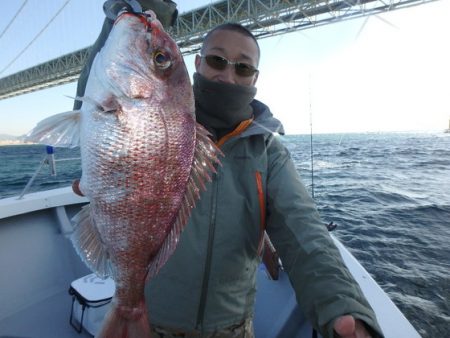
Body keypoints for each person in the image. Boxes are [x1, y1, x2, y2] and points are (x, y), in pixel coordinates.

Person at [74, 1, 384, 337]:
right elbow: (100, 90)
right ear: (196, 63)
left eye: (243, 68)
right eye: (217, 60)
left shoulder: (269, 154)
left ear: (256, 77)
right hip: (152, 323)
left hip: (232, 330)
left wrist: (344, 308)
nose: (228, 74)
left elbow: (305, 232)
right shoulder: (154, 117)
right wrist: (141, 9)